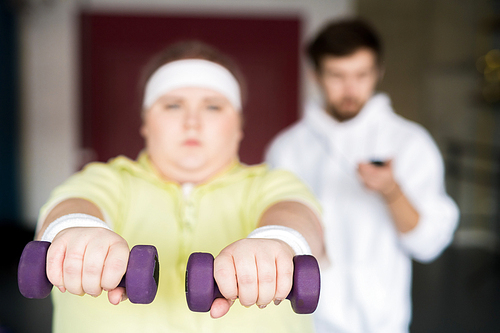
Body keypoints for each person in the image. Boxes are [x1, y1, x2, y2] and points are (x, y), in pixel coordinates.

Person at [35, 41, 326, 332]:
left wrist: (280, 240)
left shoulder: (273, 183)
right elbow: (75, 202)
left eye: (213, 106)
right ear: (146, 122)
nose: (192, 122)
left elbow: (295, 214)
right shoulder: (106, 178)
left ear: (238, 125)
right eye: (173, 105)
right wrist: (74, 228)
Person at [265, 18, 459, 332]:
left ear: (378, 73)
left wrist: (391, 191)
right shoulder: (288, 148)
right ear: (316, 75)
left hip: (383, 319)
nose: (350, 88)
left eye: (361, 75)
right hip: (303, 321)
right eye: (337, 76)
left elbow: (428, 244)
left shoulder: (409, 142)